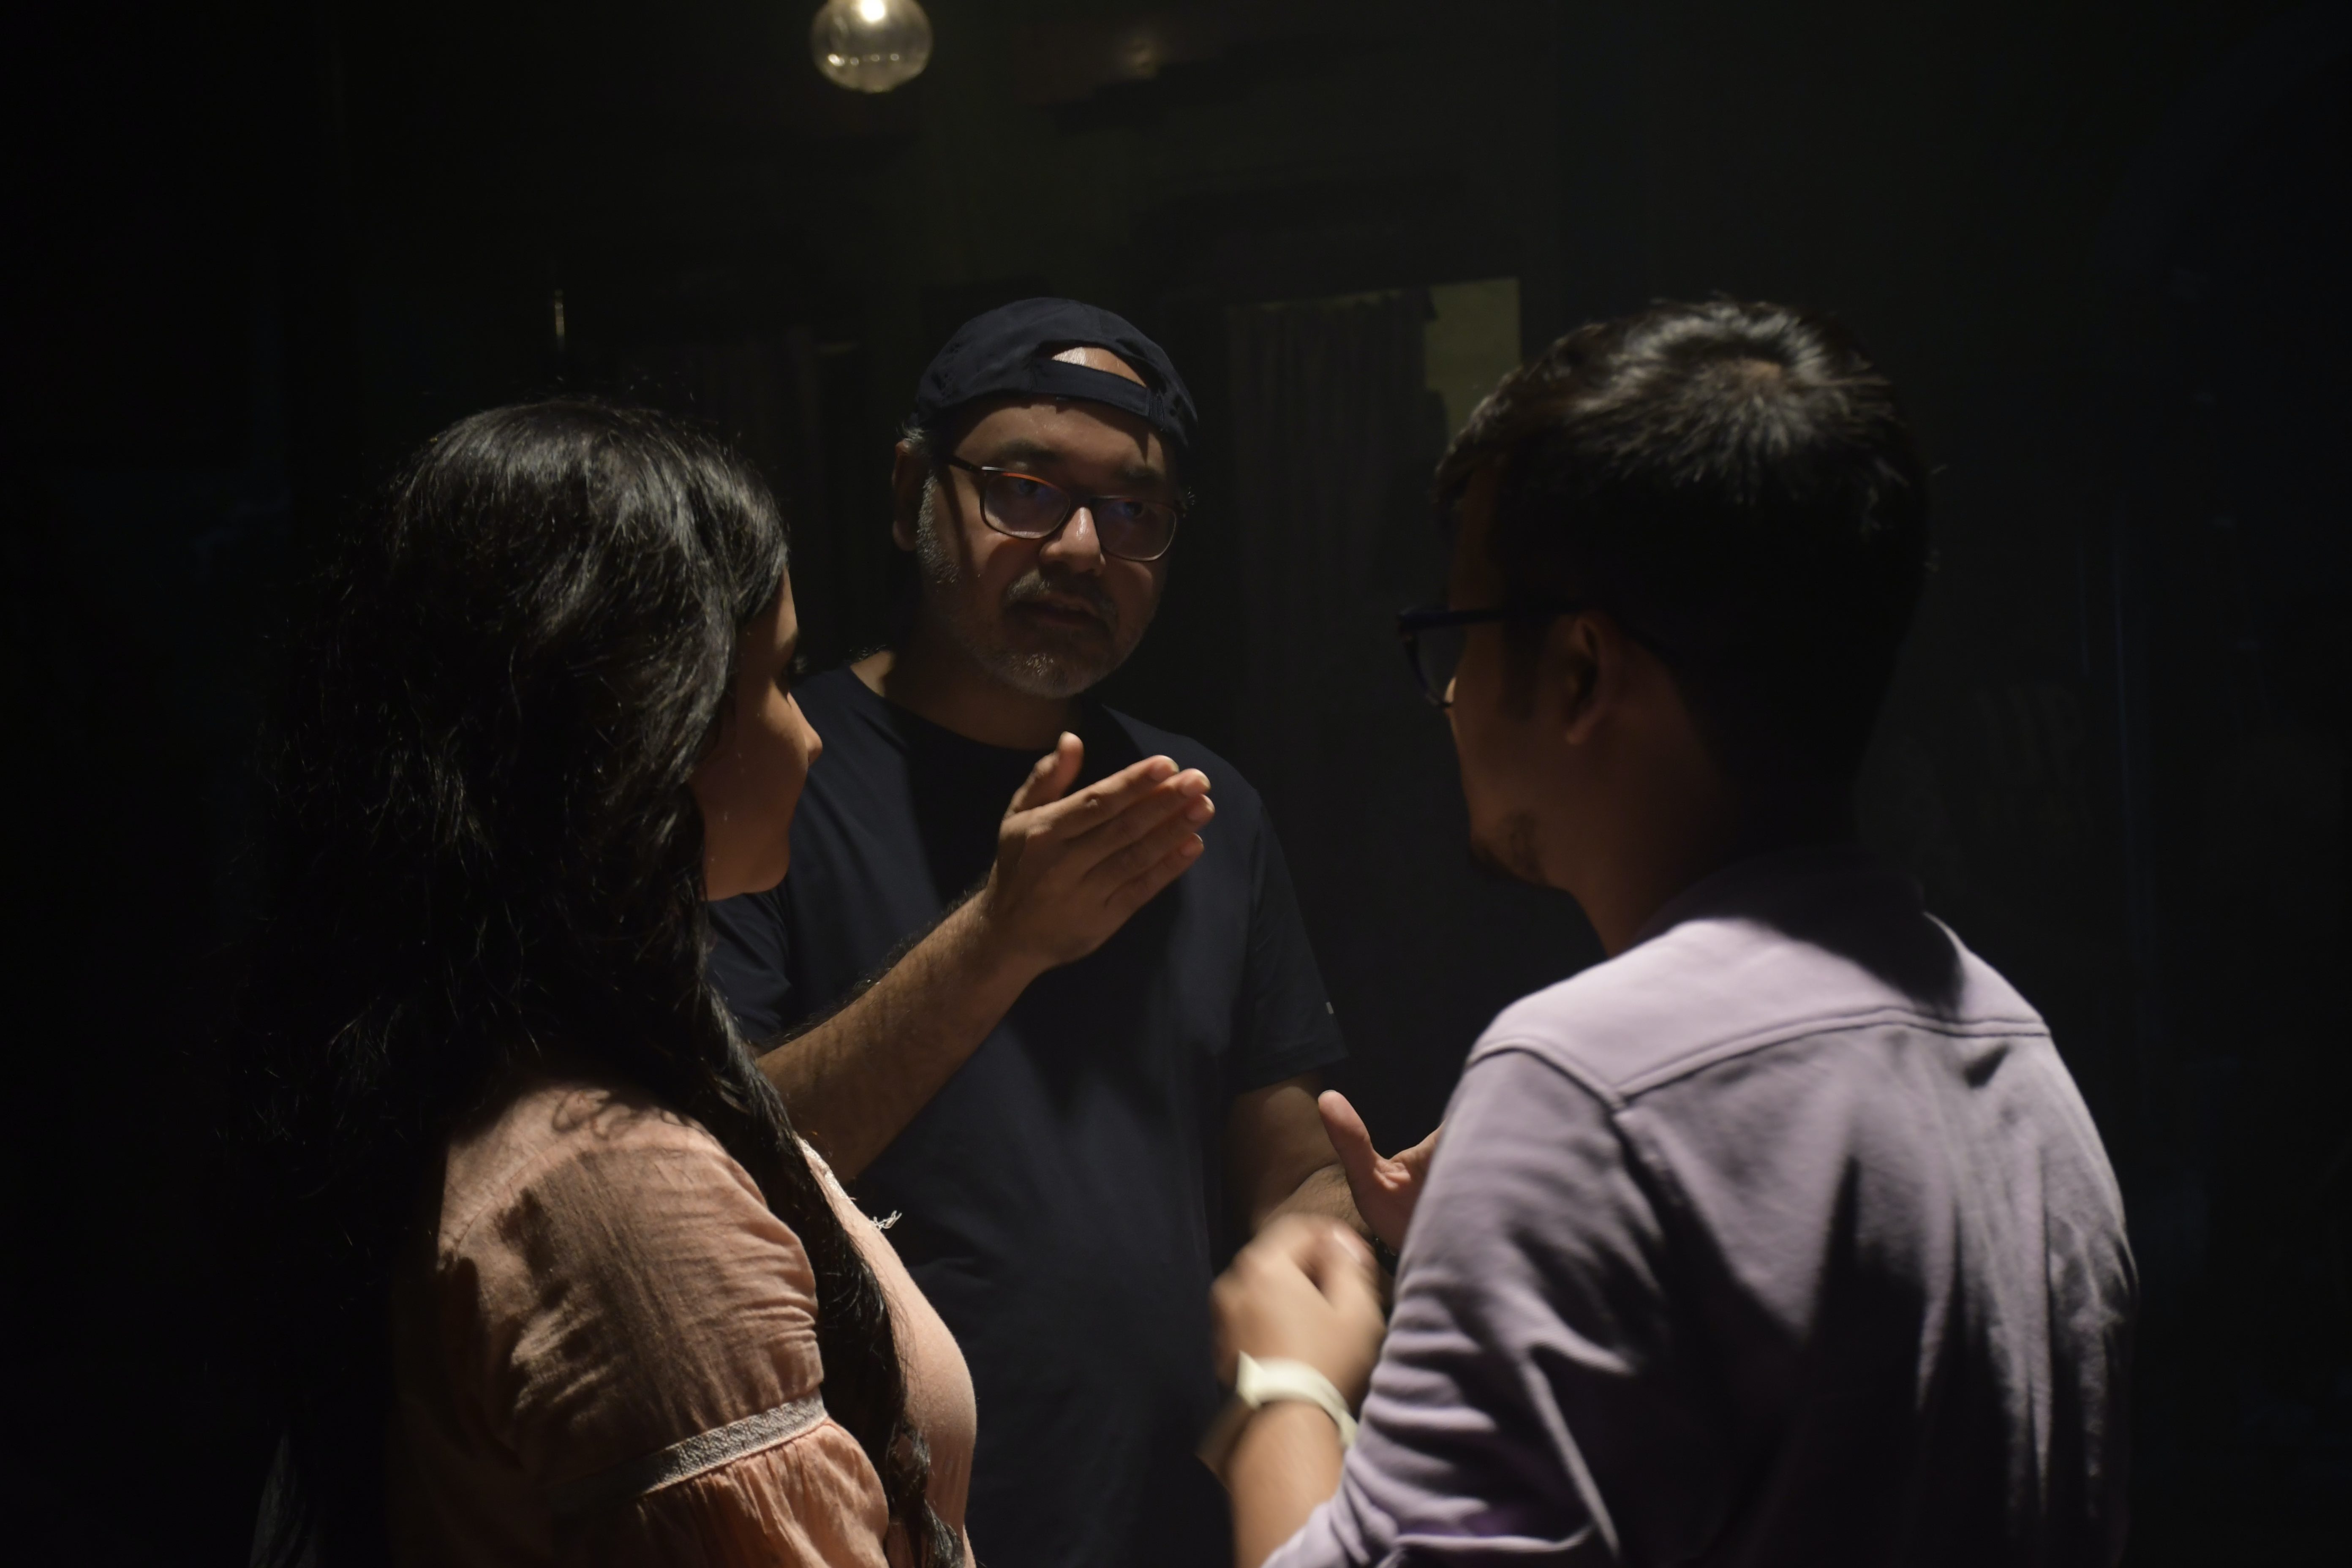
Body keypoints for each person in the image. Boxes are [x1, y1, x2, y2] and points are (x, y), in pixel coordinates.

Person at [1207, 300, 2137, 1566]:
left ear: (1582, 673)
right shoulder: (2025, 1072)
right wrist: (1518, 1252)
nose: (1451, 699)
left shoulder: (1589, 1087)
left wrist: (1288, 1382)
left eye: (1455, 640)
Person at [706, 299, 1384, 1567]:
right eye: (1026, 490)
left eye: (1134, 512)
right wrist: (1001, 938)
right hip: (882, 1527)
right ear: (912, 491)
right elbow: (715, 1178)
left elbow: (1288, 1168)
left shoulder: (1203, 808)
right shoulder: (771, 772)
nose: (1081, 547)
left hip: (1178, 1521)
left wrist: (1341, 1230)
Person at [237, 402, 971, 1566]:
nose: (811, 736)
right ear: (650, 727)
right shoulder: (621, 1193)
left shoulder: (491, 1069)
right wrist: (1280, 1401)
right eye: (780, 679)